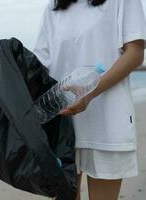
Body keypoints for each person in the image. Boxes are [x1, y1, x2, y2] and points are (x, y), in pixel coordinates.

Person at [32, 0, 146, 199]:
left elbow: (135, 54)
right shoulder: (54, 6)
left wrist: (90, 92)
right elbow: (41, 62)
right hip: (61, 124)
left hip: (107, 122)